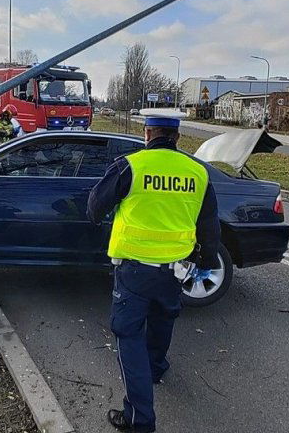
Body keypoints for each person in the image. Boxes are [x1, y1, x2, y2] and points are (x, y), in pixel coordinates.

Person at [87, 110, 220, 433]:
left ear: (147, 135)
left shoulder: (130, 166)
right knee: (163, 320)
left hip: (134, 271)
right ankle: (156, 368)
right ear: (176, 137)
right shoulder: (197, 173)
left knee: (128, 334)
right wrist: (206, 258)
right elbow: (209, 225)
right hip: (175, 270)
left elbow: (94, 209)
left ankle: (139, 419)